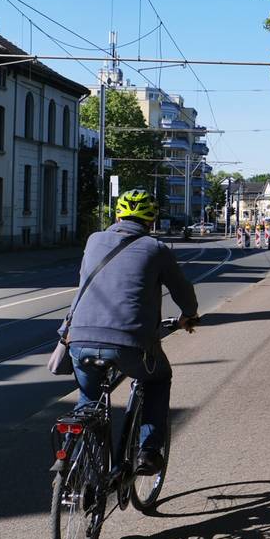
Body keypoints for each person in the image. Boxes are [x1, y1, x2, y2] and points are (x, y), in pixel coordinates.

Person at [57, 188, 199, 475]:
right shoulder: (156, 249)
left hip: (79, 339)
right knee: (158, 378)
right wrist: (188, 315)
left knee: (89, 400)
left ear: (118, 214)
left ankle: (80, 465)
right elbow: (182, 291)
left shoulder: (94, 239)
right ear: (151, 220)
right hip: (130, 344)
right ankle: (148, 451)